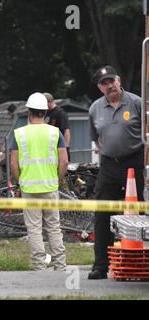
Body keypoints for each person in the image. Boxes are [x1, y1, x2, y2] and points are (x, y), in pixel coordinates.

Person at [88, 66, 144, 280]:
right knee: (102, 213)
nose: (109, 85)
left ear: (119, 80)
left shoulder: (136, 103)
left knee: (140, 212)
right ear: (100, 87)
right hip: (109, 165)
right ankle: (101, 266)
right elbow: (96, 138)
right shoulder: (95, 108)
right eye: (104, 83)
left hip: (134, 162)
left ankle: (140, 264)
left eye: (111, 80)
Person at [10, 92, 68, 271]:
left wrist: (21, 182)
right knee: (54, 227)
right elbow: (64, 161)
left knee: (34, 229)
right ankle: (60, 265)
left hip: (29, 187)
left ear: (29, 111)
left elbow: (13, 163)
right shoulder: (54, 132)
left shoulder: (19, 134)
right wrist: (57, 180)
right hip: (50, 186)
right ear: (45, 112)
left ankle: (39, 266)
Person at [43, 92, 71, 161]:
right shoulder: (45, 113)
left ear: (50, 101)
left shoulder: (60, 113)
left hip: (58, 148)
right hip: (48, 148)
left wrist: (66, 148)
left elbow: (66, 131)